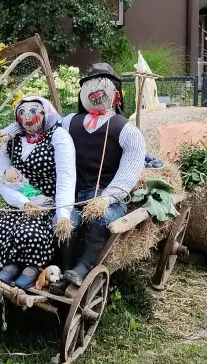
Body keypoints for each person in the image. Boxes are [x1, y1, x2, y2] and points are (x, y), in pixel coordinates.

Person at [52, 63, 146, 292]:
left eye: (102, 87)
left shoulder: (127, 130)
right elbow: (42, 129)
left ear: (116, 94)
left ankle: (84, 267)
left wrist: (106, 199)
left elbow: (129, 171)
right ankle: (67, 267)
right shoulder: (68, 123)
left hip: (107, 198)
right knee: (62, 221)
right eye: (90, 87)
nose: (96, 92)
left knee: (100, 219)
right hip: (73, 196)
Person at [0, 96, 75, 289]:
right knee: (5, 227)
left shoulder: (58, 136)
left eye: (33, 111)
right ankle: (11, 266)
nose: (27, 117)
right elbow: (1, 175)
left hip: (46, 203)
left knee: (32, 232)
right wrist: (23, 202)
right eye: (22, 113)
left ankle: (33, 268)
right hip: (19, 201)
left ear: (46, 113)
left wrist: (63, 214)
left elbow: (66, 177)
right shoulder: (12, 141)